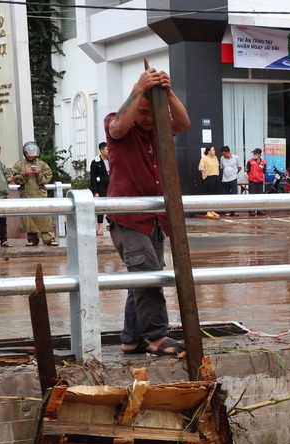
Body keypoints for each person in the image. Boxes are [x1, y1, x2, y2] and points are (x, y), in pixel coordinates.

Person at [105, 65, 191, 357]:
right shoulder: (119, 126)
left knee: (139, 279)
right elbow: (117, 127)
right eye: (143, 111)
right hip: (128, 217)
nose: (147, 118)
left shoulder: (159, 128)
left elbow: (184, 123)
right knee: (149, 275)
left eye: (152, 112)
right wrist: (139, 89)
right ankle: (156, 337)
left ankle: (131, 339)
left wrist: (167, 92)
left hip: (156, 217)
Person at [11, 141, 56, 246]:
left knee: (45, 216)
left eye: (33, 153)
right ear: (25, 153)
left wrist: (38, 174)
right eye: (29, 154)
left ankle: (49, 239)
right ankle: (32, 239)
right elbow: (16, 178)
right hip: (27, 193)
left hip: (40, 193)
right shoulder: (19, 164)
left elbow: (48, 176)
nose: (31, 156)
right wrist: (24, 174)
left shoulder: (41, 164)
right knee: (29, 216)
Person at [90, 142, 110, 235]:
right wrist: (95, 192)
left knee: (112, 206)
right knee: (101, 207)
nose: (108, 151)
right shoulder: (95, 162)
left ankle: (112, 224)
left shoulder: (112, 160)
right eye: (106, 149)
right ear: (101, 150)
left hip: (111, 186)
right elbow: (93, 178)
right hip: (101, 186)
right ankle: (100, 227)